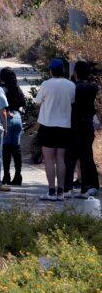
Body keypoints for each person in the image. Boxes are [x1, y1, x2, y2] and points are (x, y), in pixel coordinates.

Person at [35, 59, 77, 200]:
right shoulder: (71, 85)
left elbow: (38, 102)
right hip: (65, 126)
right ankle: (61, 191)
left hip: (47, 125)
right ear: (63, 71)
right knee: (61, 159)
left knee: (48, 159)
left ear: (51, 70)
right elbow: (72, 102)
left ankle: (51, 191)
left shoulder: (46, 84)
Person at [67, 61, 99, 198]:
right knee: (87, 155)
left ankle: (67, 186)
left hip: (73, 125)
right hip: (88, 124)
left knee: (70, 156)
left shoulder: (72, 88)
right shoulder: (93, 87)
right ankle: (90, 185)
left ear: (75, 73)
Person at [0, 68, 27, 186]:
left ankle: (6, 175)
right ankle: (18, 175)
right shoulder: (17, 88)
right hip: (17, 118)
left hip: (7, 117)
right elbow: (23, 103)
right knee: (16, 149)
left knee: (6, 149)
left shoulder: (2, 89)